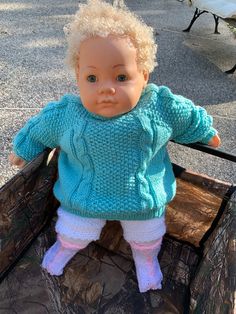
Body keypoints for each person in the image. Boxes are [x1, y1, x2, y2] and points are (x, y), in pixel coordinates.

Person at [9, 0, 221, 293]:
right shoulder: (68, 114)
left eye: (121, 77)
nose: (106, 88)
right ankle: (66, 247)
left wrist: (205, 132)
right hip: (83, 198)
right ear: (78, 78)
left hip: (142, 201)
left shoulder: (158, 106)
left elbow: (187, 117)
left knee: (146, 235)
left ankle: (145, 259)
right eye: (92, 78)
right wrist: (23, 149)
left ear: (144, 76)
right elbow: (39, 129)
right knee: (73, 230)